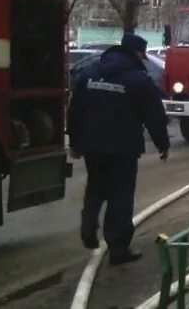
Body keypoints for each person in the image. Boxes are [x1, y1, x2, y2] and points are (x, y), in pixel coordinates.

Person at [67, 33, 170, 265]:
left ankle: (88, 226)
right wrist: (162, 144)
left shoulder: (89, 73)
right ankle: (118, 248)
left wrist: (75, 142)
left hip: (92, 146)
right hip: (123, 148)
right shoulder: (137, 80)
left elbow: (75, 111)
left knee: (95, 186)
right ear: (136, 54)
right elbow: (154, 116)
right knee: (120, 197)